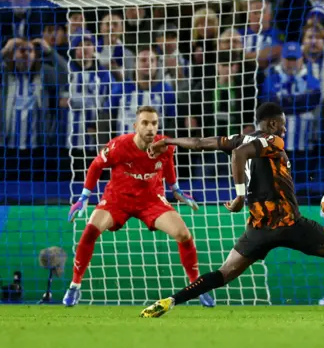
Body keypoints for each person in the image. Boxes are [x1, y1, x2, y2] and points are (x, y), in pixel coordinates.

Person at [140, 102, 324, 319]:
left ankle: (170, 300)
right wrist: (238, 196)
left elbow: (201, 143)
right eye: (282, 124)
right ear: (272, 123)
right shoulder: (272, 141)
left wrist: (169, 141)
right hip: (290, 224)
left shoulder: (239, 138)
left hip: (258, 229)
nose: (284, 130)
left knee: (224, 273)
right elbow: (240, 155)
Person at [63, 106, 214, 308]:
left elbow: (168, 164)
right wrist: (83, 197)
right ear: (135, 126)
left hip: (151, 200)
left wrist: (176, 189)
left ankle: (197, 286)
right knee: (90, 230)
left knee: (183, 235)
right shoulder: (118, 146)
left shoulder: (165, 145)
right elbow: (96, 166)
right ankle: (74, 285)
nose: (150, 128)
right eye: (145, 123)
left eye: (154, 123)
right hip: (118, 199)